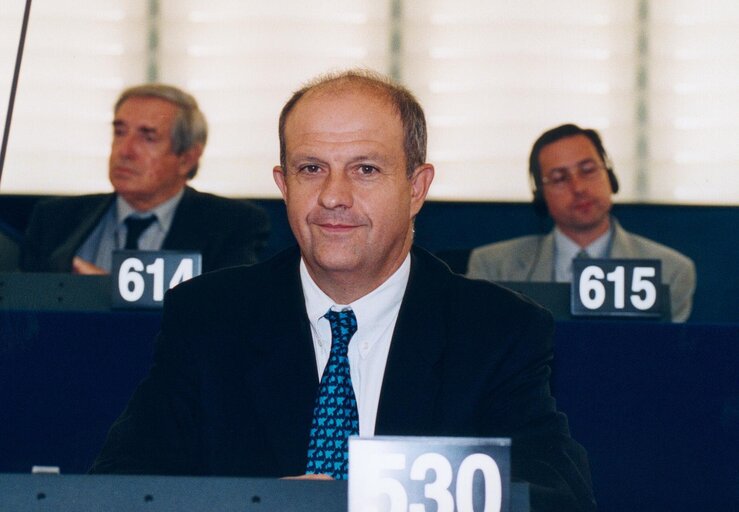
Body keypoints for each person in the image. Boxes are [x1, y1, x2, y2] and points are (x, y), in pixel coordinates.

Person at [90, 71, 597, 511]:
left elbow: (555, 498)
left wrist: (368, 502)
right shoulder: (209, 317)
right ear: (283, 184)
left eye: (366, 169)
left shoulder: (496, 331)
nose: (333, 196)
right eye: (311, 169)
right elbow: (121, 488)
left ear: (416, 188)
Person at [19, 84, 269, 274]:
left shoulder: (233, 225)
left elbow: (228, 315)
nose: (125, 151)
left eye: (147, 137)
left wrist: (107, 290)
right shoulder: (53, 219)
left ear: (187, 158)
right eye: (119, 132)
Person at [467, 123, 696, 322]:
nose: (578, 188)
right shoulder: (493, 268)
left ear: (611, 176)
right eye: (559, 178)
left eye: (588, 170)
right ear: (540, 195)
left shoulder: (671, 271)